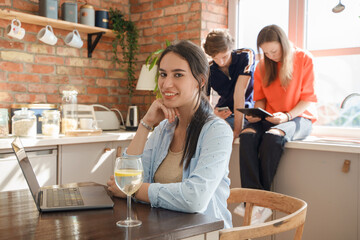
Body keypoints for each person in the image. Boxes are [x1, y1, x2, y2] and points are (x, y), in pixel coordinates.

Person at [107, 40, 234, 228]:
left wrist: (134, 190)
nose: (167, 84)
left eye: (178, 75)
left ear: (200, 81)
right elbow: (125, 179)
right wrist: (146, 124)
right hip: (162, 230)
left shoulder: (217, 131)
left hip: (205, 234)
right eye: (163, 74)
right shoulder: (163, 129)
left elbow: (195, 199)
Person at [235, 24, 317, 224]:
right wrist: (256, 114)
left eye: (274, 50)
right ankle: (257, 201)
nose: (271, 55)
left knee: (273, 136)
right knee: (246, 134)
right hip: (271, 117)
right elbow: (260, 99)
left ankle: (256, 202)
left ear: (284, 44)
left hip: (299, 117)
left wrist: (287, 117)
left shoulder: (304, 59)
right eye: (266, 52)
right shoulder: (263, 65)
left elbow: (307, 99)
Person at [203, 29, 255, 139]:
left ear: (231, 48)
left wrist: (237, 130)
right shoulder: (208, 69)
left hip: (245, 112)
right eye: (215, 58)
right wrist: (213, 113)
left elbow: (239, 92)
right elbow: (204, 100)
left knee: (217, 131)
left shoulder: (246, 55)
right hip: (223, 112)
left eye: (224, 56)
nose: (220, 62)